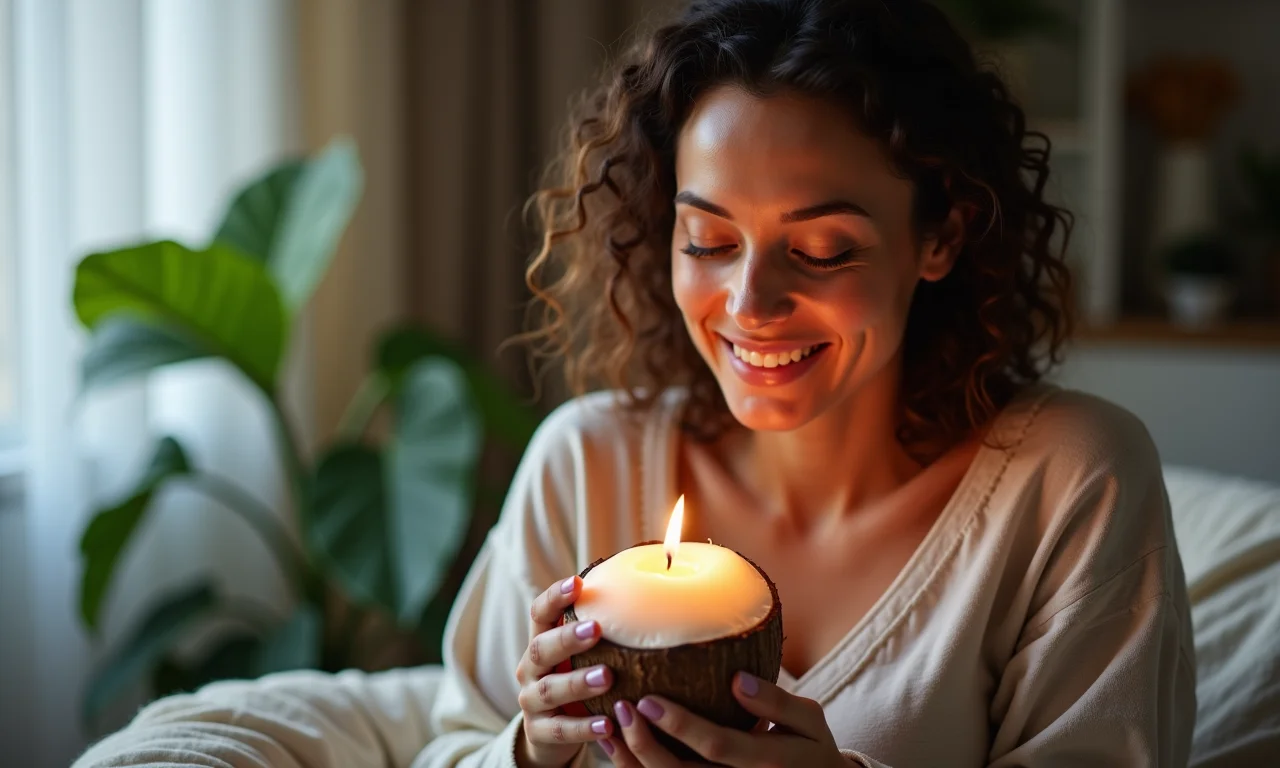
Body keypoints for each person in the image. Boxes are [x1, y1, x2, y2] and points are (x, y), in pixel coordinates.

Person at [75, 0, 1195, 766]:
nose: (748, 306)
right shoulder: (586, 460)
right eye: (707, 239)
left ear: (940, 236)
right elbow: (450, 740)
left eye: (821, 249)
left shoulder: (1068, 483)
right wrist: (529, 745)